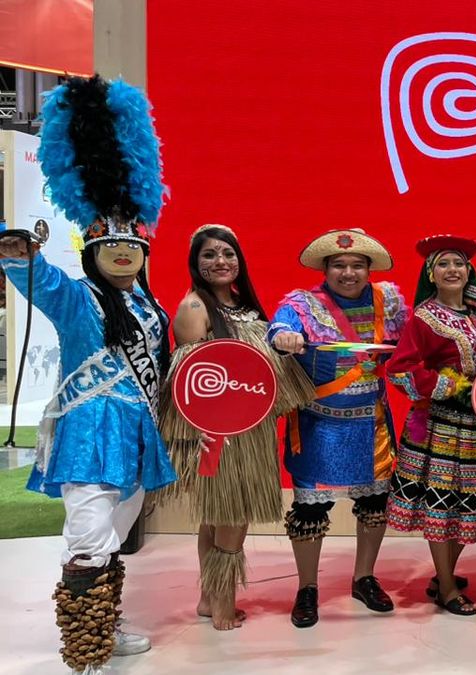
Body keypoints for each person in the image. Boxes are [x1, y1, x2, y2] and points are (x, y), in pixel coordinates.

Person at [0, 75, 173, 673]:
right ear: (92, 253)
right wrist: (19, 254)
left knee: (115, 536)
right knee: (87, 538)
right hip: (89, 432)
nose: (124, 254)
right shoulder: (78, 298)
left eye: (133, 248)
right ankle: (84, 650)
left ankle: (105, 626)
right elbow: (42, 283)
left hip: (137, 434)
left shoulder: (151, 306)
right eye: (111, 248)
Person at [157, 224, 314, 630]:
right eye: (209, 255)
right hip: (220, 436)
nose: (220, 261)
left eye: (227, 254)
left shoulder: (244, 306)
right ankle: (223, 605)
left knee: (216, 517)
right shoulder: (195, 307)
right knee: (229, 515)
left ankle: (209, 599)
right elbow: (190, 381)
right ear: (195, 263)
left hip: (253, 429)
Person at [268, 228, 408, 628]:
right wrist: (285, 336)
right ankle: (307, 588)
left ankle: (364, 578)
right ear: (325, 269)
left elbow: (413, 341)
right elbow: (277, 328)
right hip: (319, 426)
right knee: (310, 509)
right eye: (339, 265)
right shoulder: (303, 305)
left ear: (369, 269)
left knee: (375, 505)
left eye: (357, 265)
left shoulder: (388, 303)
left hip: (371, 424)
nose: (348, 272)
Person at [387, 234, 476, 617]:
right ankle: (447, 587)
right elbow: (400, 369)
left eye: (458, 263)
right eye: (443, 264)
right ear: (431, 274)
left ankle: (444, 575)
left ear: (469, 271)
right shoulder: (423, 319)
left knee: (465, 505)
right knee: (442, 505)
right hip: (442, 426)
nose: (452, 270)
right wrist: (448, 385)